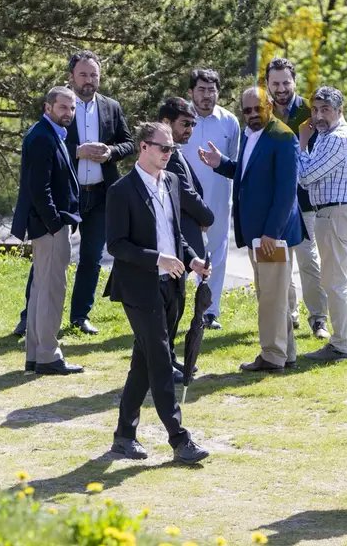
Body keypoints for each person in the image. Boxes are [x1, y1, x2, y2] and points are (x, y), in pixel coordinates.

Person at [105, 122, 211, 464]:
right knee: (162, 360)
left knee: (144, 360)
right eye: (163, 148)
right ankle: (180, 439)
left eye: (171, 149)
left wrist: (191, 259)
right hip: (138, 287)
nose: (168, 154)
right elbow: (117, 245)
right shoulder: (121, 191)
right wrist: (158, 260)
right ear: (143, 147)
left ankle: (124, 435)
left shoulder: (173, 182)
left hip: (172, 285)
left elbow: (173, 234)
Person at [14, 51, 134, 337]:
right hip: (66, 195)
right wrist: (77, 152)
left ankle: (80, 316)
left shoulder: (111, 107)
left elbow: (129, 143)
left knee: (92, 258)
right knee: (50, 257)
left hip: (101, 193)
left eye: (94, 75)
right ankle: (30, 315)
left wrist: (111, 152)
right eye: (83, 75)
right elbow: (45, 142)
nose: (89, 80)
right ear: (71, 77)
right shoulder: (61, 105)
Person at [199, 87, 304, 372]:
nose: (253, 114)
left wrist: (272, 232)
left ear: (269, 105)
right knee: (272, 294)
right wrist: (222, 164)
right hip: (258, 235)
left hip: (272, 236)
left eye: (258, 108)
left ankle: (272, 356)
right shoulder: (251, 134)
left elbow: (286, 192)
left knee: (271, 297)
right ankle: (286, 352)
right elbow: (248, 173)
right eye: (247, 111)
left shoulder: (283, 137)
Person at [10, 86, 83, 376]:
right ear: (48, 107)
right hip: (49, 227)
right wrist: (54, 223)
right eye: (63, 107)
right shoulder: (42, 136)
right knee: (51, 291)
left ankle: (36, 354)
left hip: (47, 226)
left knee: (42, 290)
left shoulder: (49, 133)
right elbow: (38, 188)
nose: (68, 113)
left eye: (72, 108)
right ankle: (48, 355)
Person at [297, 86, 347, 362]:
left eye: (325, 110)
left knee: (336, 283)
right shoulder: (337, 135)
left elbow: (306, 176)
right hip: (341, 213)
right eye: (315, 110)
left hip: (335, 215)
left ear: (340, 111)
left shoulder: (336, 138)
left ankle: (341, 345)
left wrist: (302, 143)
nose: (318, 116)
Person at [266, 57, 330, 340]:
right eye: (275, 83)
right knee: (281, 262)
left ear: (294, 82)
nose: (280, 88)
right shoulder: (262, 111)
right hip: (273, 199)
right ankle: (288, 315)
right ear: (268, 84)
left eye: (285, 82)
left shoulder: (310, 111)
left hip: (305, 198)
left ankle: (318, 318)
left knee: (308, 260)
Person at [181, 69, 240, 330]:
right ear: (191, 92)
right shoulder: (180, 118)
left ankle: (210, 311)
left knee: (215, 253)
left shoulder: (229, 122)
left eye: (212, 90)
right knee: (179, 252)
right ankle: (173, 307)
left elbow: (236, 164)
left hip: (218, 198)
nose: (207, 96)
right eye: (201, 90)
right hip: (182, 198)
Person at [159, 97, 215, 378]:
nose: (190, 130)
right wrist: (208, 217)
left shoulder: (177, 152)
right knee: (168, 306)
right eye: (185, 124)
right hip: (172, 240)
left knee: (176, 304)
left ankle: (168, 359)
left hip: (184, 239)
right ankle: (163, 362)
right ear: (167, 122)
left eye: (193, 124)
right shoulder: (163, 154)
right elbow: (185, 194)